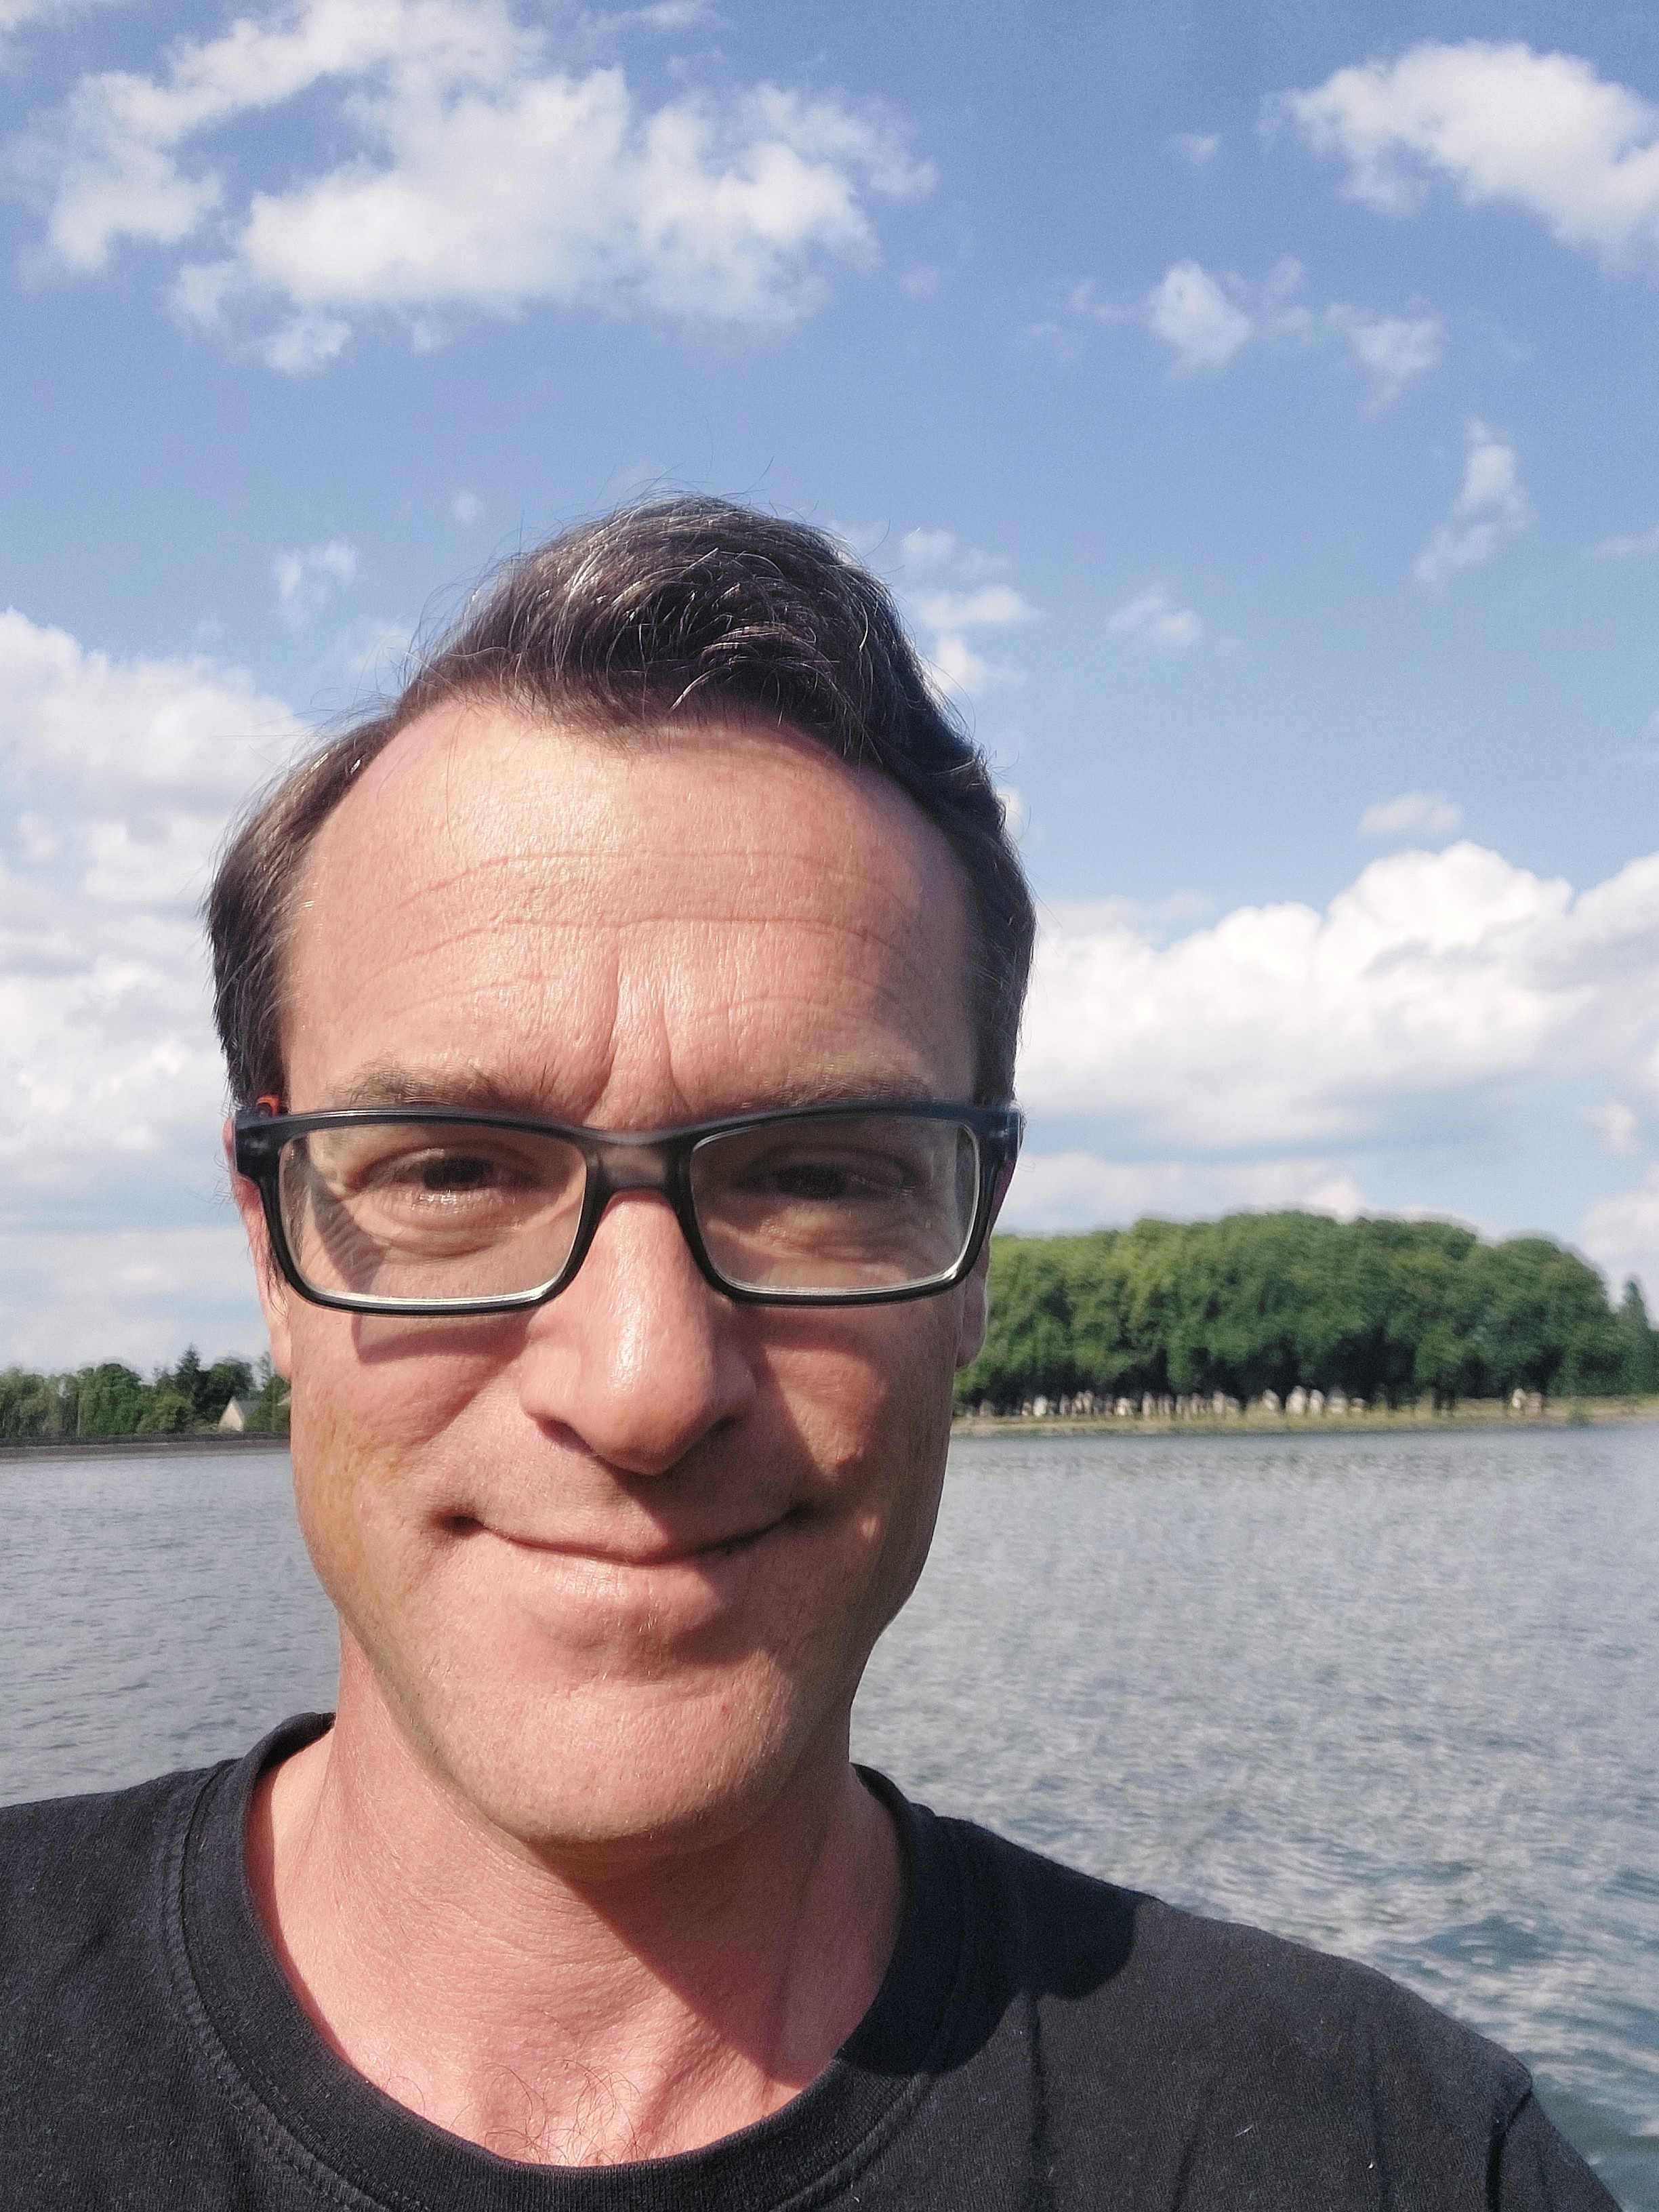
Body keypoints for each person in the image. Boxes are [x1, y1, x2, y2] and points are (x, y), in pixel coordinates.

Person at [0, 499, 1614, 2209]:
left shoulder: (1398, 2156)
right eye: (455, 1171)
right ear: (273, 1247)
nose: (642, 1385)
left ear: (974, 1253)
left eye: (819, 1179)